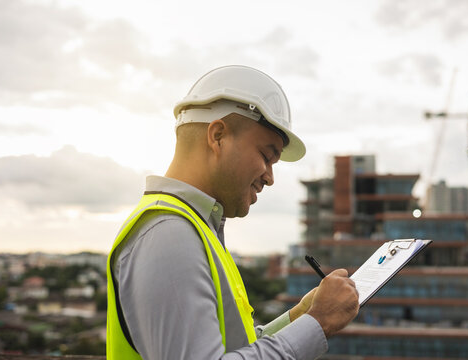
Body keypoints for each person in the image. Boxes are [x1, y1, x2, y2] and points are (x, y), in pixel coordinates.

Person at [106, 65, 360, 359]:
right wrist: (319, 323)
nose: (270, 177)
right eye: (267, 156)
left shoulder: (194, 228)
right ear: (218, 136)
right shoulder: (168, 234)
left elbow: (236, 349)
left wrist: (300, 316)